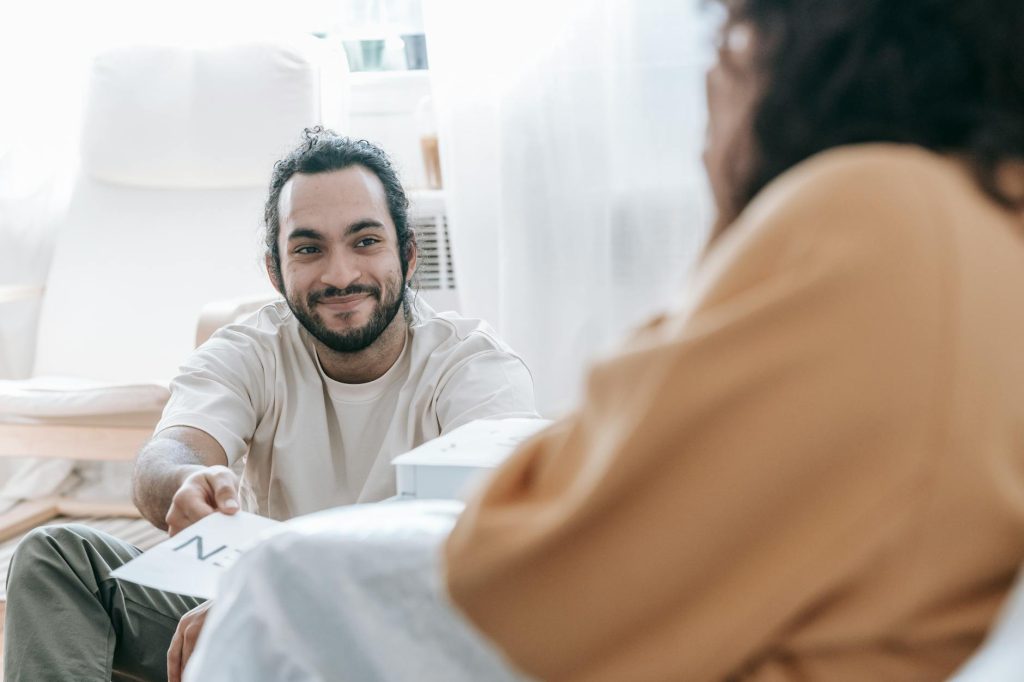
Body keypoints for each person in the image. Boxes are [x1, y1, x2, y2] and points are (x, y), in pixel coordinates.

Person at [184, 1, 1024, 681]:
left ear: (812, 49)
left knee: (280, 588)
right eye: (308, 247)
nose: (713, 70)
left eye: (733, 32)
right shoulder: (980, 221)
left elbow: (536, 561)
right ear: (274, 268)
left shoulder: (867, 213)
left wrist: (740, 202)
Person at [2, 130, 538, 682]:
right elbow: (168, 454)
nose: (340, 275)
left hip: (411, 636)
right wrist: (188, 481)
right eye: (308, 249)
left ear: (406, 252)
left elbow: (498, 541)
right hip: (270, 619)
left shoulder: (474, 367)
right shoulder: (250, 350)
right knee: (57, 556)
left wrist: (273, 603)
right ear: (275, 271)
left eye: (365, 242)